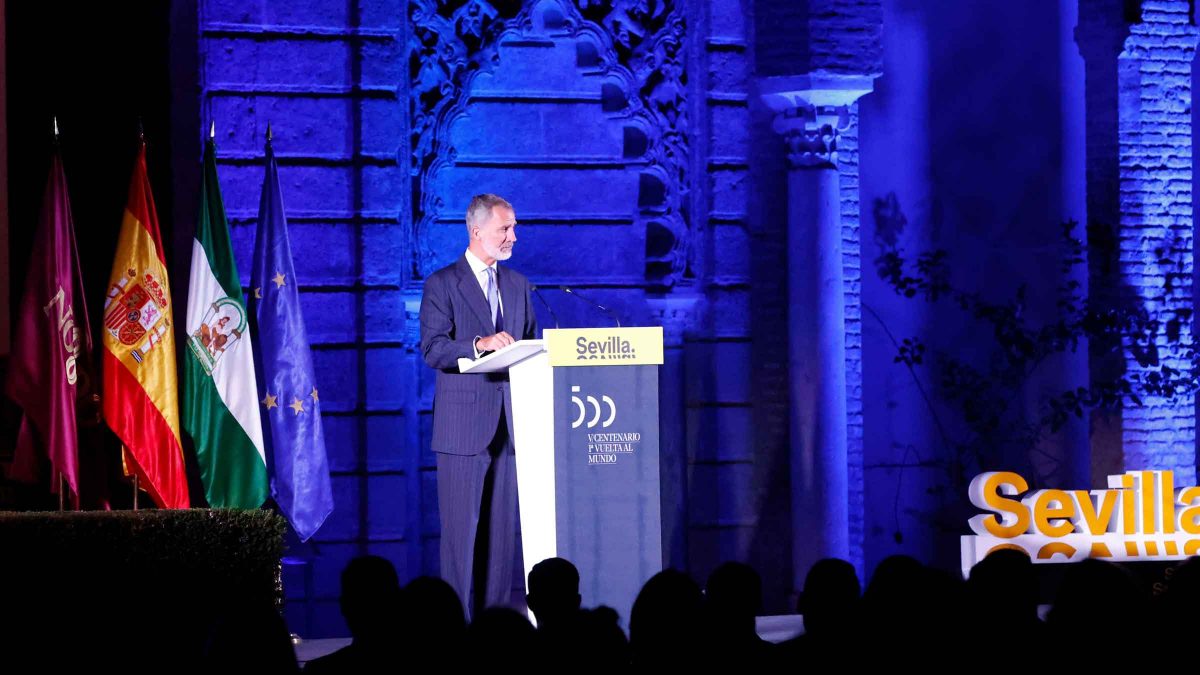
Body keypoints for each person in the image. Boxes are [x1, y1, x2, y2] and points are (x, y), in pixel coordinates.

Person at [419, 193, 538, 619]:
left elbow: (529, 346)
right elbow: (433, 350)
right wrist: (478, 345)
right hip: (462, 431)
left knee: (500, 543)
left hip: (510, 429)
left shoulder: (519, 285)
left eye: (514, 227)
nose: (513, 237)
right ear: (476, 231)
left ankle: (496, 634)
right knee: (460, 543)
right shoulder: (441, 284)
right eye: (505, 229)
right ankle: (453, 635)